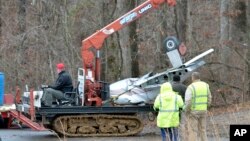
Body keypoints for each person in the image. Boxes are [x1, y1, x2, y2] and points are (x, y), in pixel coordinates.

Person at [184, 72, 212, 141]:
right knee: (203, 130)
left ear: (192, 78)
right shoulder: (206, 85)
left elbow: (188, 101)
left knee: (193, 131)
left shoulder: (191, 87)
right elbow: (209, 98)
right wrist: (206, 106)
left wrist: (187, 111)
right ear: (199, 77)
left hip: (193, 112)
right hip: (203, 110)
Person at [171, 75, 187, 141]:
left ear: (173, 80)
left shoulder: (170, 87)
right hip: (181, 105)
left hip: (172, 106)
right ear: (179, 79)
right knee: (179, 119)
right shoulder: (184, 87)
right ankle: (178, 130)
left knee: (173, 119)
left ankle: (174, 132)